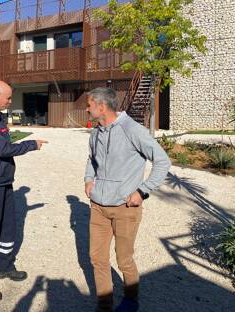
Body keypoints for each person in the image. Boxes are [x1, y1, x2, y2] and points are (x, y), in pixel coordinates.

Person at [84, 87, 171, 312]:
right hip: (98, 208)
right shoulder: (96, 133)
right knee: (97, 258)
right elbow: (91, 159)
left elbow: (162, 161)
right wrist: (88, 179)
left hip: (125, 208)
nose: (87, 109)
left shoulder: (133, 130)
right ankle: (104, 305)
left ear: (102, 107)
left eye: (89, 105)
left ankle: (131, 300)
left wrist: (142, 191)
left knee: (124, 260)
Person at [0, 80, 48, 303]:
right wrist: (31, 144)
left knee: (8, 227)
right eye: (8, 98)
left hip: (4, 180)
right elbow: (3, 148)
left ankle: (4, 267)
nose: (11, 101)